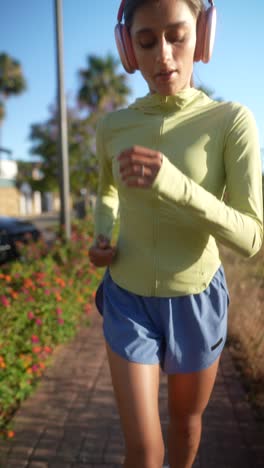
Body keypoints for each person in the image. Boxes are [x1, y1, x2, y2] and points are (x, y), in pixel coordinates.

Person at [88, 0, 263, 467]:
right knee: (145, 452)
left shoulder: (232, 121)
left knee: (185, 430)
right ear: (129, 50)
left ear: (202, 36)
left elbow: (251, 237)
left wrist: (176, 185)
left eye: (177, 36)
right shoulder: (113, 126)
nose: (163, 55)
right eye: (146, 41)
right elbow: (106, 193)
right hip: (128, 297)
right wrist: (103, 237)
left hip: (197, 299)